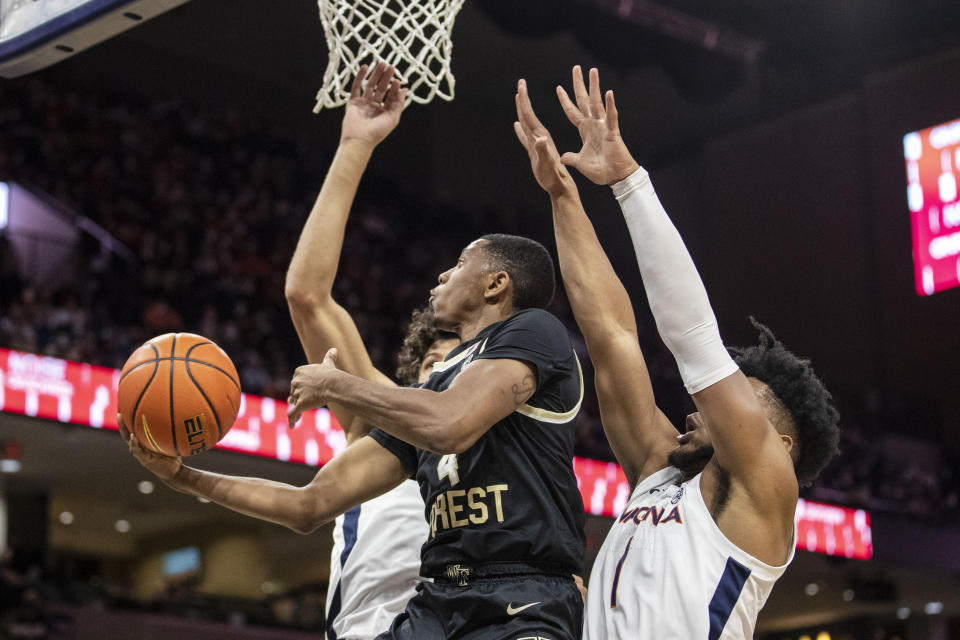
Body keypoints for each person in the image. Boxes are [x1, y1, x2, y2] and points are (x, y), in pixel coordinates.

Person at [125, 68, 588, 639]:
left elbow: (449, 421)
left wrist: (339, 385)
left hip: (515, 596)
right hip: (420, 610)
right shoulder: (403, 410)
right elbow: (307, 505)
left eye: (460, 263)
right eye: (436, 363)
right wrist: (184, 478)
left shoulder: (527, 339)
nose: (442, 274)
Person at [513, 66, 840, 639]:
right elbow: (611, 335)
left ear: (781, 445)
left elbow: (692, 339)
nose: (697, 410)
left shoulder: (764, 491)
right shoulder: (660, 471)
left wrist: (628, 181)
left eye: (740, 401)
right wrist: (562, 194)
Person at [284, 62, 458, 640]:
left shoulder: (511, 448)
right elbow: (307, 295)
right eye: (435, 364)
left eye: (463, 363)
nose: (447, 372)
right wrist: (354, 145)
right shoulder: (385, 417)